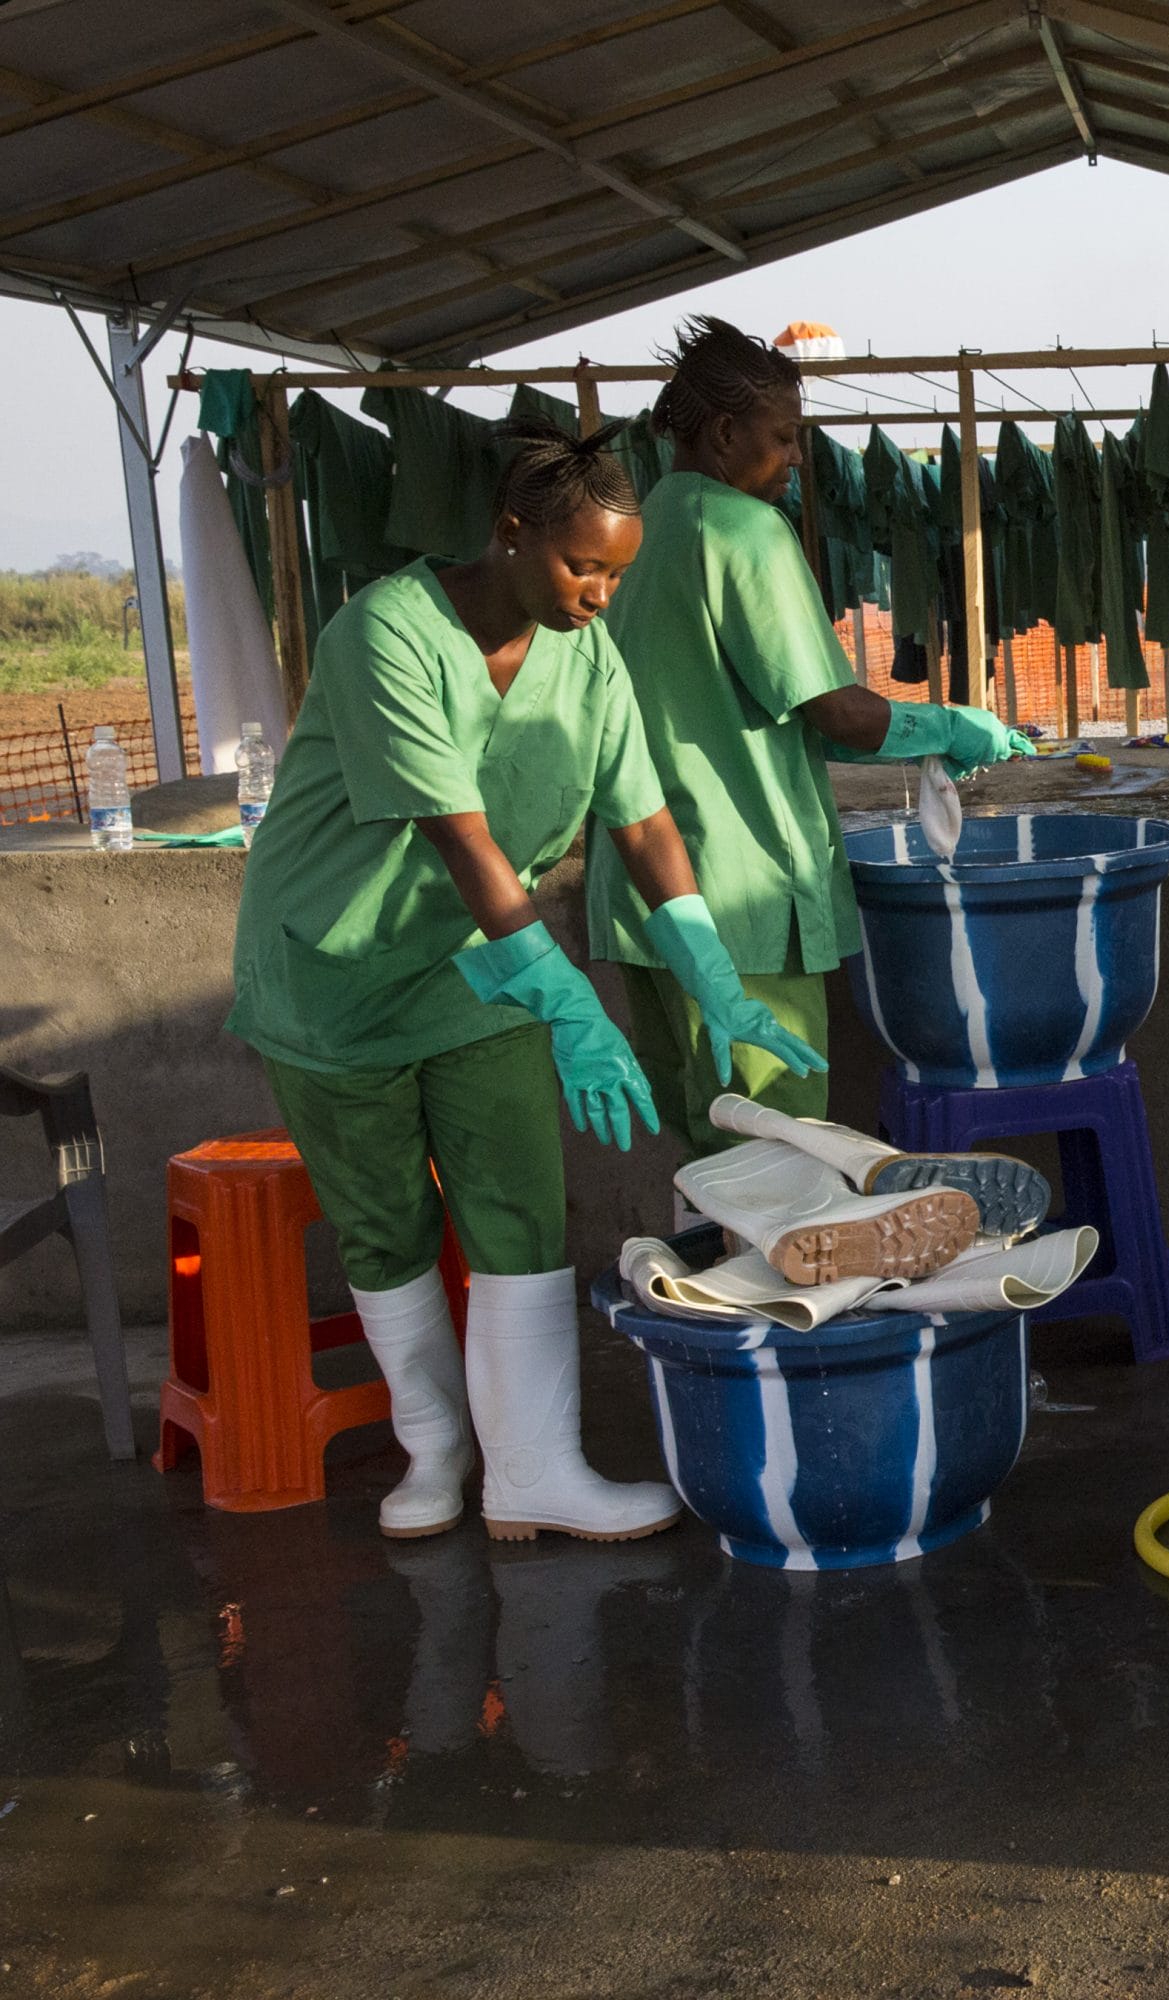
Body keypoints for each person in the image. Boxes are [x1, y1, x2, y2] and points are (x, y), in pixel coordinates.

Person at [228, 421, 819, 1541]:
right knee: (386, 1222)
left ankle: (536, 1471)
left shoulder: (587, 657)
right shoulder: (387, 635)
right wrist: (571, 1002)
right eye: (581, 565)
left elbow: (643, 822)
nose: (600, 592)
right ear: (511, 534)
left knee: (517, 1206)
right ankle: (437, 1455)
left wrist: (716, 977)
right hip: (335, 970)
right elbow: (462, 839)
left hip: (481, 970)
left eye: (615, 573)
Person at [586, 316, 1032, 1158]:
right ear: (723, 434)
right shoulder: (743, 530)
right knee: (778, 1153)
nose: (797, 458)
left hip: (648, 897)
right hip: (742, 897)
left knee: (705, 1147)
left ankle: (709, 1285)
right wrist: (949, 724)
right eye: (785, 437)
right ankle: (770, 1295)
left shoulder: (640, 531)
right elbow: (833, 711)